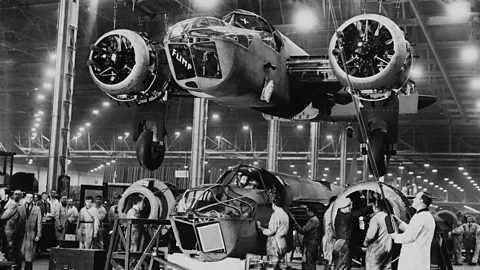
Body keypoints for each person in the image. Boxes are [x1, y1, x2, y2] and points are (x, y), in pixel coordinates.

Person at [390, 191, 435, 270]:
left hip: (413, 261)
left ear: (421, 201)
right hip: (419, 259)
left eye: (416, 198)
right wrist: (400, 223)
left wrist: (394, 236)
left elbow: (409, 237)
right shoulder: (426, 216)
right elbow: (414, 231)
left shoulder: (419, 217)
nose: (413, 200)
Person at [332, 197, 372, 270]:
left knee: (340, 263)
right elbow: (359, 212)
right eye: (349, 206)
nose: (351, 208)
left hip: (339, 242)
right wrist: (370, 206)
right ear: (343, 207)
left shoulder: (339, 215)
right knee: (344, 264)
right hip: (344, 242)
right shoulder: (345, 216)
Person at [256, 194, 289, 270]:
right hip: (282, 243)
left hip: (274, 244)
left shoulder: (275, 214)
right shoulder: (285, 214)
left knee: (271, 267)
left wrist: (260, 228)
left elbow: (271, 232)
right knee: (282, 266)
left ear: (273, 204)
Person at [363, 200, 392, 270]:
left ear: (375, 207)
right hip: (388, 247)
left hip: (377, 249)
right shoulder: (390, 217)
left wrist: (365, 243)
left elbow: (370, 236)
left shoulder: (375, 219)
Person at [17, 192, 42, 270]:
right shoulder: (19, 208)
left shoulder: (37, 209)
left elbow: (39, 223)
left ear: (33, 199)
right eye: (27, 197)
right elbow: (16, 222)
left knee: (29, 257)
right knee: (19, 256)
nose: (29, 199)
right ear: (25, 198)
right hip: (21, 235)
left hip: (31, 234)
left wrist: (38, 235)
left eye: (31, 197)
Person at [294, 205, 320, 270]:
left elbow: (303, 230)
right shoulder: (314, 220)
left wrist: (296, 225)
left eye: (307, 211)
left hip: (310, 244)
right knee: (309, 262)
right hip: (312, 244)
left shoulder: (313, 220)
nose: (306, 213)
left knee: (309, 263)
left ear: (311, 212)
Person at [0, 187, 19, 261]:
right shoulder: (1, 202)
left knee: (9, 250)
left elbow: (4, 216)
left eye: (1, 195)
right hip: (2, 230)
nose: (0, 196)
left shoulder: (12, 204)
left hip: (9, 231)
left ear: (6, 195)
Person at [323, 196, 337, 270]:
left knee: (328, 259)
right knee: (331, 259)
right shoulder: (332, 211)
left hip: (327, 236)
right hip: (330, 237)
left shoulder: (328, 211)